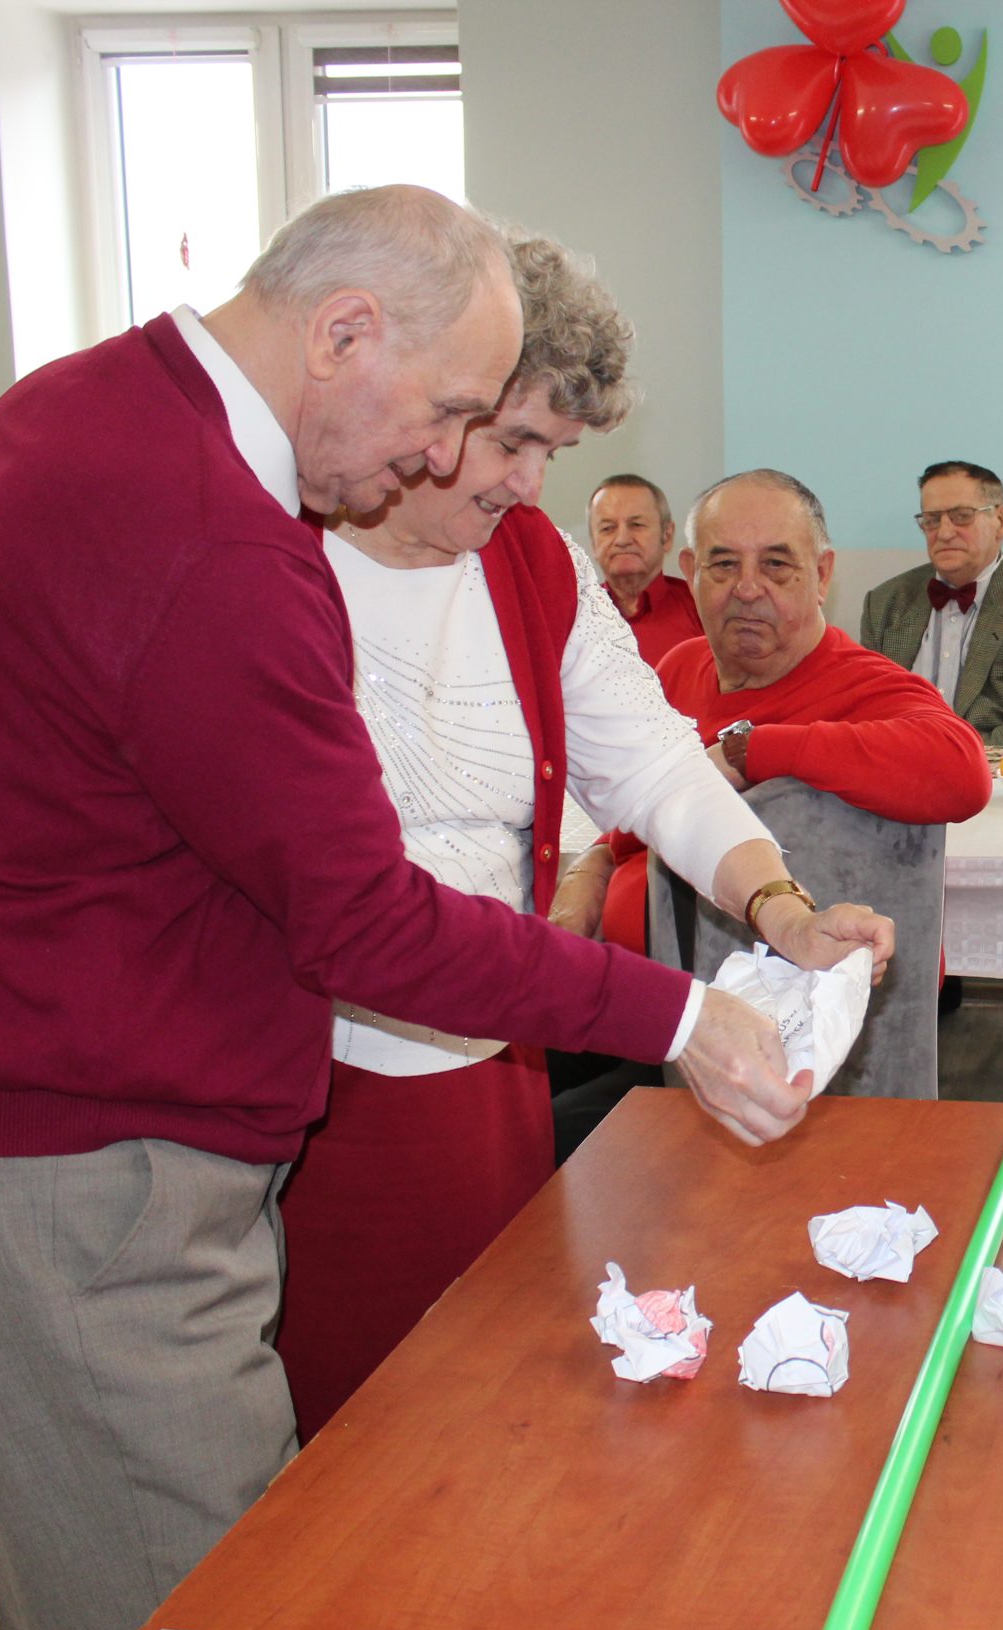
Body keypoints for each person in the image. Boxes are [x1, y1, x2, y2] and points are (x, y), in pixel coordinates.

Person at [0, 187, 816, 1630]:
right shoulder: (230, 535)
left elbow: (34, 712)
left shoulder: (76, 414)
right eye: (472, 417)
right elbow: (355, 912)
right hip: (95, 1168)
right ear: (347, 332)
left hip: (109, 1141)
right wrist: (675, 1013)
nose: (452, 455)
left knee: (108, 1622)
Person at [283, 238, 888, 1436]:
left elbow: (657, 764)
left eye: (552, 453)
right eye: (509, 442)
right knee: (349, 1441)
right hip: (314, 1086)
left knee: (494, 1406)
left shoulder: (528, 563)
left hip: (490, 1057)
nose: (525, 482)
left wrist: (782, 909)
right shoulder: (282, 557)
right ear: (422, 401)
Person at [548, 469, 992, 1149]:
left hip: (740, 1041)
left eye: (776, 566)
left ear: (821, 574)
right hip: (629, 999)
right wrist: (589, 875)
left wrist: (755, 749)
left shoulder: (862, 682)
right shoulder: (676, 670)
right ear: (691, 573)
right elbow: (631, 830)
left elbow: (960, 769)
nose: (747, 588)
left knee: (545, 1137)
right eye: (724, 565)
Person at [859, 460, 1003, 746]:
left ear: (1001, 521)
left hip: (999, 782)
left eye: (961, 516)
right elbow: (865, 710)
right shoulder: (885, 603)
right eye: (931, 519)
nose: (943, 532)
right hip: (897, 773)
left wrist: (955, 763)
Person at [589, 471, 704, 665]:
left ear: (666, 536)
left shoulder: (702, 610)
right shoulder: (575, 617)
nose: (622, 540)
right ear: (593, 543)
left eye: (636, 525)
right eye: (607, 528)